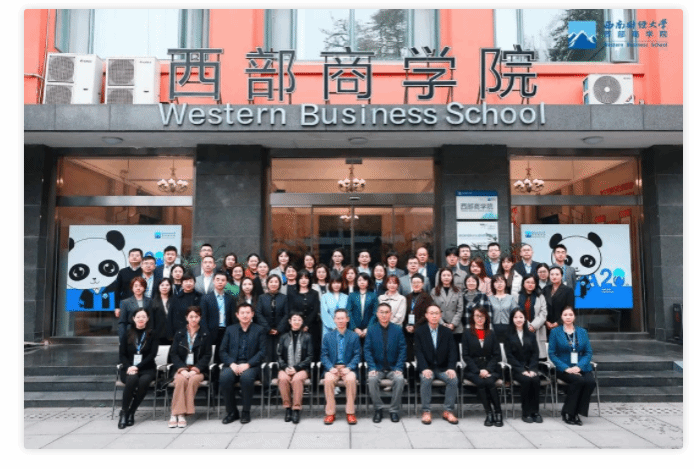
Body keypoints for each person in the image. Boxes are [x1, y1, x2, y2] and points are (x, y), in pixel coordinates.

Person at [219, 304, 266, 424]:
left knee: (246, 378)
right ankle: (232, 412)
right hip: (233, 364)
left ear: (252, 314)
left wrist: (248, 364)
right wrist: (232, 364)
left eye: (248, 313)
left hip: (251, 365)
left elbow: (262, 352)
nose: (245, 315)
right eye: (242, 313)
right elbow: (222, 351)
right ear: (237, 315)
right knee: (224, 377)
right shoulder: (230, 329)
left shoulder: (259, 330)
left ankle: (246, 411)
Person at [548, 306, 596, 426]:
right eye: (565, 315)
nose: (568, 317)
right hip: (564, 368)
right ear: (561, 317)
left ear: (574, 317)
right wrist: (566, 368)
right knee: (578, 381)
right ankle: (570, 413)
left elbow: (588, 352)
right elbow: (552, 353)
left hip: (581, 366)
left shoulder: (582, 332)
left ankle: (575, 411)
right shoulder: (555, 332)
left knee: (590, 382)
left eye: (570, 315)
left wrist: (579, 367)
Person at [168, 306, 212, 428]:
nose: (193, 319)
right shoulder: (180, 333)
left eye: (196, 316)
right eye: (191, 316)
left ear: (200, 318)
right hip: (181, 368)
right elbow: (173, 353)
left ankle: (179, 413)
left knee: (192, 380)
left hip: (198, 370)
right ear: (186, 318)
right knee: (180, 380)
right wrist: (182, 369)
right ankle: (178, 414)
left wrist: (195, 370)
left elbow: (207, 355)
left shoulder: (205, 334)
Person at [415, 304, 459, 425]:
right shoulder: (420, 331)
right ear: (426, 315)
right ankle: (426, 411)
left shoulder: (447, 332)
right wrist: (424, 368)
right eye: (431, 313)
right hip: (427, 367)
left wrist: (451, 368)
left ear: (440, 315)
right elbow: (418, 352)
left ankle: (448, 411)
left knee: (453, 379)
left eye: (436, 313)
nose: (434, 316)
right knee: (426, 379)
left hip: (443, 367)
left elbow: (453, 351)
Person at [364, 303, 407, 423]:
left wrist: (399, 367)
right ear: (377, 314)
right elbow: (367, 350)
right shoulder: (371, 330)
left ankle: (394, 410)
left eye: (386, 312)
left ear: (391, 314)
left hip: (393, 368)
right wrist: (372, 367)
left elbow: (402, 350)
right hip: (377, 368)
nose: (384, 315)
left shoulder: (397, 329)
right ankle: (378, 409)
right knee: (372, 379)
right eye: (381, 312)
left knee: (400, 379)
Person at [117, 308, 159, 429]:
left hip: (147, 367)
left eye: (144, 317)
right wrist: (129, 367)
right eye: (138, 317)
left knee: (144, 381)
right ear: (133, 319)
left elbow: (152, 355)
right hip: (129, 368)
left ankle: (132, 411)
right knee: (132, 379)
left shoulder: (152, 334)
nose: (141, 319)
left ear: (147, 319)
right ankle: (124, 412)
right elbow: (122, 355)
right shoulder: (127, 333)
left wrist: (137, 366)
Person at [462, 306, 503, 427]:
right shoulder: (467, 333)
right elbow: (466, 355)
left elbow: (497, 355)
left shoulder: (491, 333)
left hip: (491, 368)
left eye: (482, 316)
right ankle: (489, 413)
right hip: (473, 369)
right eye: (477, 316)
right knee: (481, 382)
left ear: (486, 318)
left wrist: (488, 369)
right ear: (473, 317)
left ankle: (498, 412)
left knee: (490, 381)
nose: (480, 319)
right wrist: (478, 370)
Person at [320, 309, 360, 425]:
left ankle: (350, 413)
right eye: (338, 318)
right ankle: (330, 413)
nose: (340, 321)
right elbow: (324, 355)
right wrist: (330, 368)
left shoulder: (353, 336)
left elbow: (357, 355)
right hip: (333, 368)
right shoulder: (328, 336)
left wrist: (349, 368)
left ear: (347, 319)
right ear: (334, 320)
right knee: (328, 380)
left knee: (351, 379)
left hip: (347, 368)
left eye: (343, 318)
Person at [505, 307, 543, 423]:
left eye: (521, 317)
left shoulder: (531, 335)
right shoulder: (508, 335)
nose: (518, 319)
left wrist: (532, 369)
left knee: (535, 380)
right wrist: (522, 370)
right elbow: (509, 356)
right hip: (516, 369)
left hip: (530, 367)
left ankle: (535, 412)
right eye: (516, 317)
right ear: (512, 319)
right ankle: (526, 412)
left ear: (525, 319)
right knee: (526, 380)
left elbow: (535, 353)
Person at [277, 312, 313, 424]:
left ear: (302, 322)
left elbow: (310, 356)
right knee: (283, 379)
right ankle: (288, 408)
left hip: (302, 369)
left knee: (297, 379)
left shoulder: (307, 337)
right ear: (290, 321)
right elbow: (279, 355)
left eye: (299, 320)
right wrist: (285, 367)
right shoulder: (283, 337)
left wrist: (296, 368)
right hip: (286, 368)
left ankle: (296, 409)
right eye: (294, 319)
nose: (296, 322)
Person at [256, 274, 289, 389]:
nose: (274, 284)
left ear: (279, 284)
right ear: (267, 284)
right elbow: (258, 314)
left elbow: (286, 314)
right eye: (271, 282)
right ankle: (267, 386)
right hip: (266, 333)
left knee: (279, 356)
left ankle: (280, 385)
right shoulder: (262, 297)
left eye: (276, 282)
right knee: (267, 357)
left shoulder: (284, 297)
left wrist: (279, 329)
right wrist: (268, 328)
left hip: (281, 333)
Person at [286, 270, 321, 369]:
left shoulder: (314, 293)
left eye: (306, 278)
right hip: (296, 326)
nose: (303, 280)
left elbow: (315, 310)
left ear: (309, 280)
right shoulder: (292, 293)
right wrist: (301, 325)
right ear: (297, 280)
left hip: (313, 326)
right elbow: (291, 310)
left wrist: (306, 324)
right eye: (301, 278)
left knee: (313, 349)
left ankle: (313, 371)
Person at [200, 271, 236, 363]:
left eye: (223, 280)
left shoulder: (230, 299)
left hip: (226, 331)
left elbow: (233, 318)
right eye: (218, 279)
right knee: (209, 357)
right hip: (210, 332)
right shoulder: (206, 298)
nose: (220, 282)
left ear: (226, 282)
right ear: (213, 281)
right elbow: (203, 317)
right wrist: (205, 332)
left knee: (223, 356)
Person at [514, 274, 548, 358]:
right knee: (522, 356)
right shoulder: (517, 296)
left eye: (533, 283)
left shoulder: (540, 296)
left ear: (536, 284)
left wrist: (533, 325)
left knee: (538, 356)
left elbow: (543, 313)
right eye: (528, 282)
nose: (530, 284)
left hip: (537, 329)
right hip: (521, 327)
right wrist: (527, 325)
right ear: (523, 283)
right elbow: (515, 313)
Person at [403, 273, 434, 361]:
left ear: (423, 284)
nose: (416, 284)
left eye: (418, 282)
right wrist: (406, 325)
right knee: (409, 354)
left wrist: (415, 326)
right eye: (414, 282)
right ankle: (410, 368)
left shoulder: (427, 297)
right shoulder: (407, 297)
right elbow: (404, 313)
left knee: (421, 354)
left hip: (421, 328)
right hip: (408, 330)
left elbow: (426, 315)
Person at [431, 267, 464, 344]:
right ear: (440, 277)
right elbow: (433, 310)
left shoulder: (458, 290)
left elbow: (460, 309)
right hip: (439, 325)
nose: (446, 277)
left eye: (448, 275)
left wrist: (453, 324)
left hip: (455, 328)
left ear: (452, 277)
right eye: (444, 275)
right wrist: (442, 323)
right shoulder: (434, 291)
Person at [117, 277, 150, 342]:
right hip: (131, 334)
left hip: (147, 334)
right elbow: (122, 322)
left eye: (141, 286)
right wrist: (122, 338)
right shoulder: (125, 302)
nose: (138, 288)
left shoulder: (150, 301)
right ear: (132, 288)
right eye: (136, 286)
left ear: (144, 287)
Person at [113, 248, 143, 321]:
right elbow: (117, 290)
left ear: (141, 258)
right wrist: (117, 307)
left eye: (137, 255)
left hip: (142, 304)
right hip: (126, 304)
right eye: (132, 255)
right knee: (126, 324)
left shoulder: (145, 271)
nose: (134, 257)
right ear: (129, 258)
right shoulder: (122, 272)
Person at [488, 274, 519, 344]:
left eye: (501, 281)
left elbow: (515, 314)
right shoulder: (489, 299)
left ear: (505, 283)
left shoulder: (511, 298)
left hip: (508, 327)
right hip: (493, 328)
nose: (499, 284)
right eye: (496, 282)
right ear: (493, 284)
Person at [347, 272, 378, 340]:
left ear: (368, 282)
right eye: (359, 280)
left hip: (369, 329)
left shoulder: (373, 295)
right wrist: (355, 328)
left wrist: (368, 328)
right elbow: (349, 312)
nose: (362, 282)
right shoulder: (352, 295)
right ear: (356, 282)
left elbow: (375, 313)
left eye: (364, 280)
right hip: (354, 330)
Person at [545, 266, 575, 334]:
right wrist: (546, 321)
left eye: (557, 274)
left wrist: (558, 322)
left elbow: (570, 308)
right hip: (546, 325)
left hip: (562, 324)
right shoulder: (545, 289)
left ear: (561, 276)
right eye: (552, 274)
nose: (554, 277)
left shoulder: (568, 290)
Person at [149, 277, 180, 344]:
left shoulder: (175, 301)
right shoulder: (152, 302)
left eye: (167, 285)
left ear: (170, 287)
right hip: (158, 335)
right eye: (162, 285)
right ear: (158, 287)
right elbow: (151, 320)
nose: (164, 287)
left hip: (173, 334)